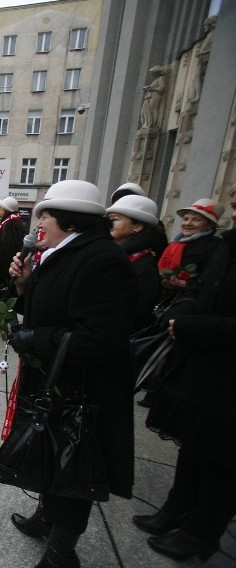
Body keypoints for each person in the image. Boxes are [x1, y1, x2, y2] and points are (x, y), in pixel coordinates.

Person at [8, 180, 136, 568]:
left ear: (70, 219)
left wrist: (35, 338)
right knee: (51, 459)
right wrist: (25, 285)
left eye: (45, 214)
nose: (39, 222)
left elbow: (99, 338)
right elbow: (52, 307)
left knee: (71, 472)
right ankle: (46, 518)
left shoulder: (101, 260)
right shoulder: (61, 252)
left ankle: (62, 553)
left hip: (82, 391)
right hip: (56, 379)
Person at [137, 190, 235, 562]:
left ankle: (201, 532)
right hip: (202, 360)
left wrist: (198, 324)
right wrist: (183, 309)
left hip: (222, 368)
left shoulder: (217, 246)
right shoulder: (224, 246)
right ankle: (176, 509)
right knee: (194, 446)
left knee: (220, 458)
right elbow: (202, 288)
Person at [105, 195, 167, 332]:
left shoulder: (142, 265)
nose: (107, 224)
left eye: (114, 219)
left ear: (137, 226)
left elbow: (132, 310)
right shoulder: (115, 253)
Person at [0, 197, 26, 314]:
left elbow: (7, 246)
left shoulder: (10, 223)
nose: (0, 211)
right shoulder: (14, 221)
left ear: (6, 210)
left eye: (2, 208)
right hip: (7, 262)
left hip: (4, 264)